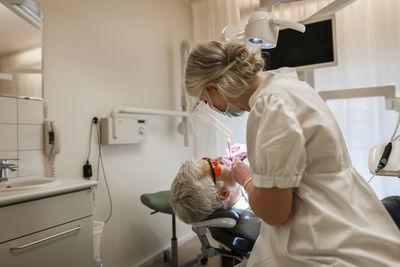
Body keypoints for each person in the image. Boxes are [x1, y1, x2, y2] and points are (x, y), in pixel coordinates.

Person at [184, 41, 400, 266]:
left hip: (323, 239)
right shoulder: (286, 86)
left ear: (215, 88)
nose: (211, 107)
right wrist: (264, 161)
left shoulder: (269, 106)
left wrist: (247, 178)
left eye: (206, 101)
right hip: (342, 217)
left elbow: (274, 213)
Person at [170, 157, 261, 241]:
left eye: (207, 159)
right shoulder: (257, 219)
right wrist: (248, 179)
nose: (220, 158)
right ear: (223, 194)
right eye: (215, 165)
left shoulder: (241, 197)